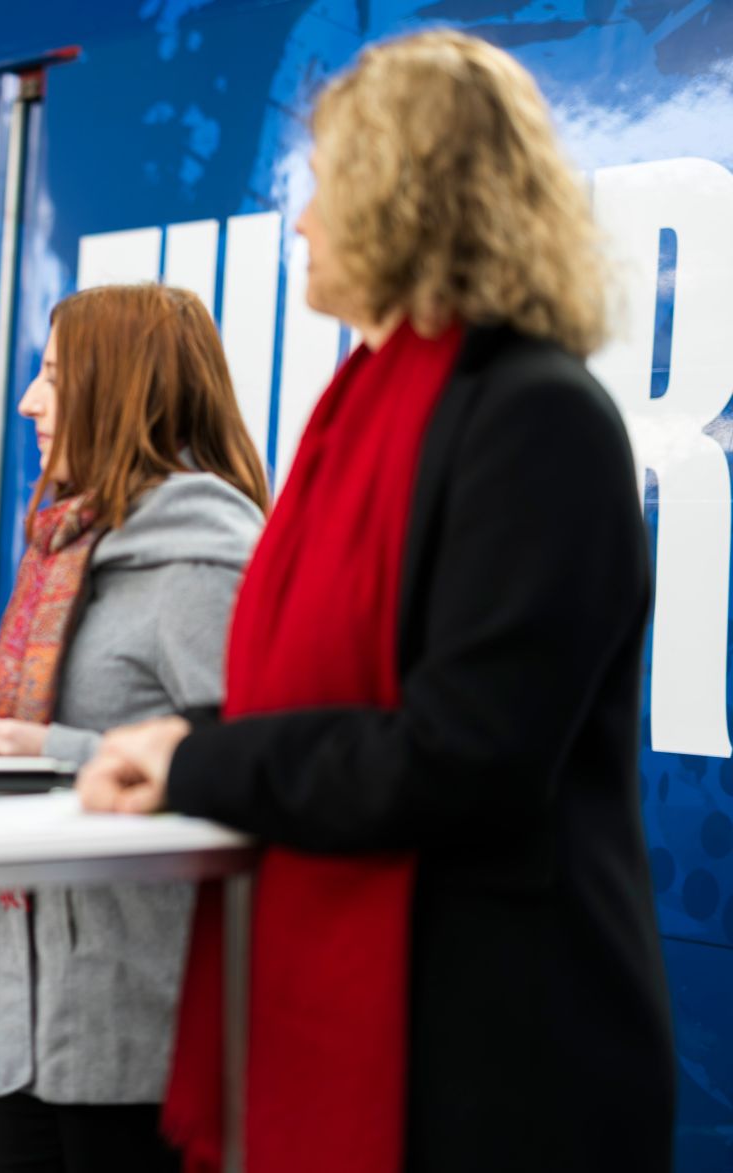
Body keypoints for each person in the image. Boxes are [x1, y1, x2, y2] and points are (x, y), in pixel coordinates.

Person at [76, 30, 675, 1173]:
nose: (299, 220)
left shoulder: (532, 419)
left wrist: (201, 767)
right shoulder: (362, 409)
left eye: (326, 185)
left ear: (409, 195)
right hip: (396, 1030)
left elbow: (466, 757)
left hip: (491, 1067)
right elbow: (325, 700)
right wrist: (180, 739)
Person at [0, 284, 267, 1172]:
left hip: (138, 1036)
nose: (28, 397)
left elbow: (250, 767)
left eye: (55, 374)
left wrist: (50, 748)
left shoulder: (203, 559)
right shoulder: (67, 544)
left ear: (123, 387)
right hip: (30, 1017)